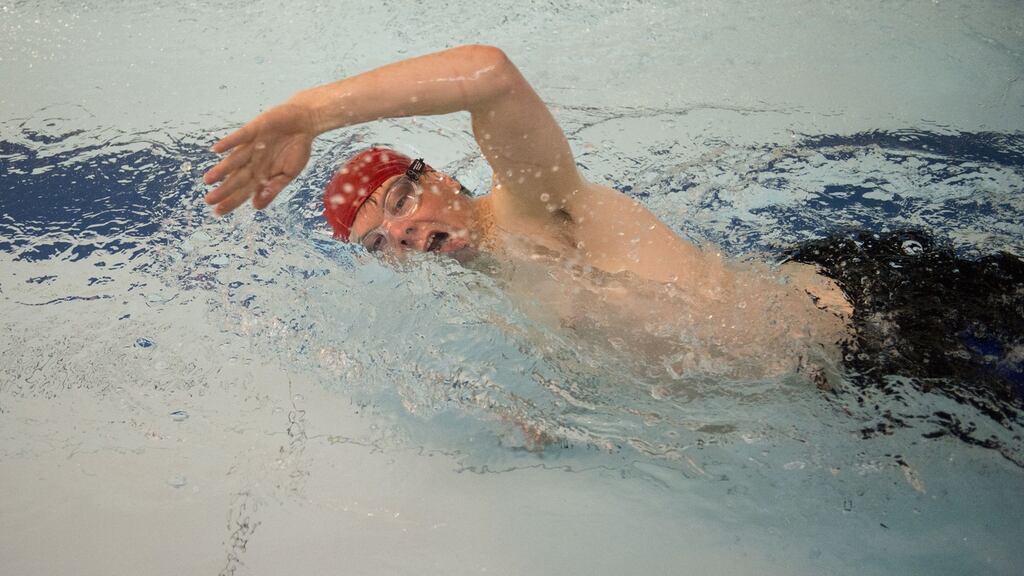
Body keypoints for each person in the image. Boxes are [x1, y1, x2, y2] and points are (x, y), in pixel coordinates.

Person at [198, 45, 862, 383]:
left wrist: (315, 112)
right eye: (378, 245)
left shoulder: (533, 207)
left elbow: (491, 74)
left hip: (865, 325)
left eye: (399, 201)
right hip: (821, 389)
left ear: (443, 178)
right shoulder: (493, 308)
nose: (400, 233)